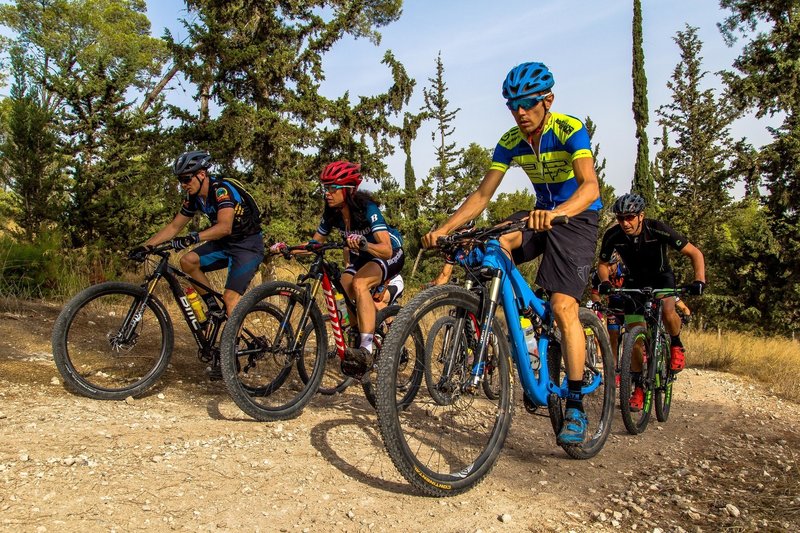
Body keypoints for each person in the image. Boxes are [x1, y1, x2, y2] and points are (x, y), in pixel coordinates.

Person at [422, 62, 602, 446]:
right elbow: (482, 196)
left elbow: (589, 187)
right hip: (539, 216)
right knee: (491, 246)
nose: (520, 113)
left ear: (547, 100)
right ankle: (522, 326)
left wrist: (559, 212)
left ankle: (574, 405)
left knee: (564, 306)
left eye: (527, 104)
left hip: (576, 218)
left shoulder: (568, 129)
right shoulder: (511, 140)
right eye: (512, 105)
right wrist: (445, 229)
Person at [129, 150, 265, 378]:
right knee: (187, 260)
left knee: (232, 299)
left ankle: (231, 357)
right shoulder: (193, 198)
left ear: (202, 174)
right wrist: (146, 246)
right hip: (225, 244)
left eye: (186, 179)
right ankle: (212, 305)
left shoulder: (221, 190)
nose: (183, 185)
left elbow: (225, 227)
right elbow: (174, 227)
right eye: (179, 180)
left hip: (247, 245)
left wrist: (194, 237)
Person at [272, 161, 404, 378]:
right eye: (326, 188)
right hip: (362, 256)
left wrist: (364, 243)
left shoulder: (367, 208)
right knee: (342, 285)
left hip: (388, 252)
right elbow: (314, 245)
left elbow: (386, 249)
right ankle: (356, 330)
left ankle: (367, 348)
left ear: (349, 189)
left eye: (333, 188)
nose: (328, 194)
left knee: (360, 283)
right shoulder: (331, 212)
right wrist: (289, 248)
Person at [597, 193, 705, 411]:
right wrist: (606, 282)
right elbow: (602, 263)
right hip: (635, 281)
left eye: (629, 217)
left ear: (641, 216)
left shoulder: (656, 229)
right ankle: (638, 386)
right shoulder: (613, 235)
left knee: (667, 310)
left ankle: (676, 344)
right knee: (634, 336)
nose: (625, 223)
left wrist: (699, 280)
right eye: (620, 218)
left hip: (661, 277)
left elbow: (695, 253)